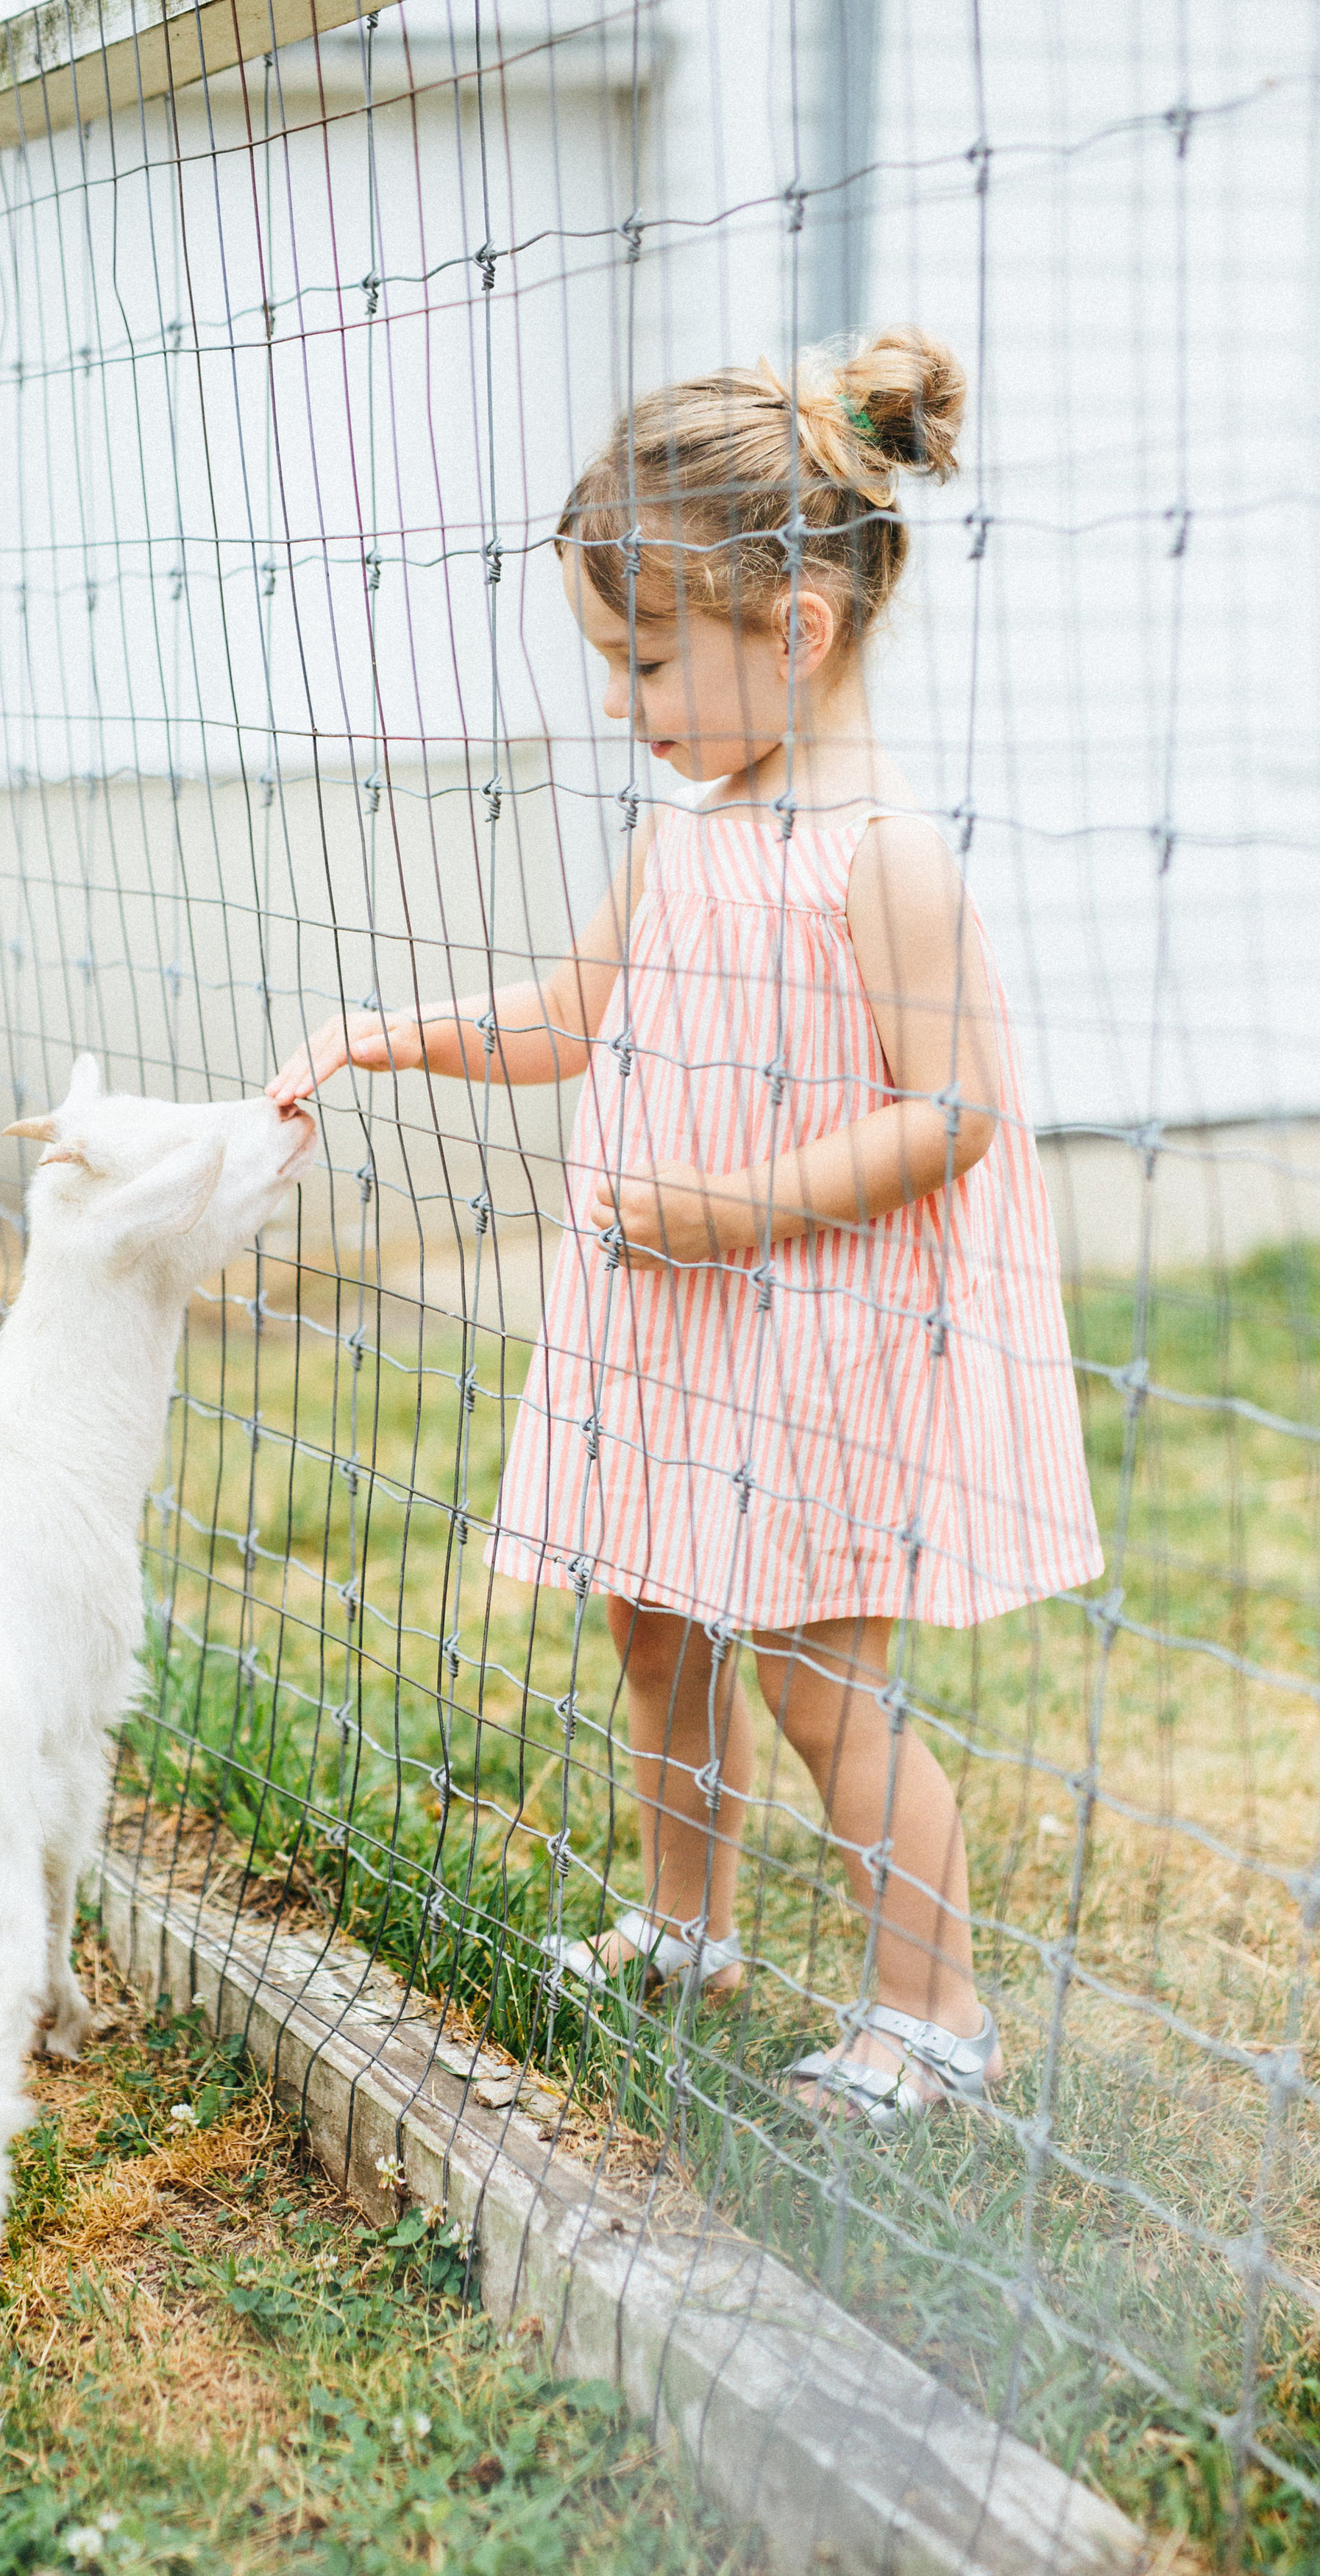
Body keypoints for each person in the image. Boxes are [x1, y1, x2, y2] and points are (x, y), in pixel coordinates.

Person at [266, 328, 1102, 2135]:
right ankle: (683, 1921)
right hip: (669, 1321)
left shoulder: (884, 852)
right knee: (654, 1630)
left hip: (814, 1327)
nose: (616, 701)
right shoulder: (684, 831)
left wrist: (727, 1206)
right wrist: (385, 1032)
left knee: (818, 1678)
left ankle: (928, 2008)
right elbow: (573, 1016)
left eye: (643, 660)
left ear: (791, 628)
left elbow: (948, 1117)